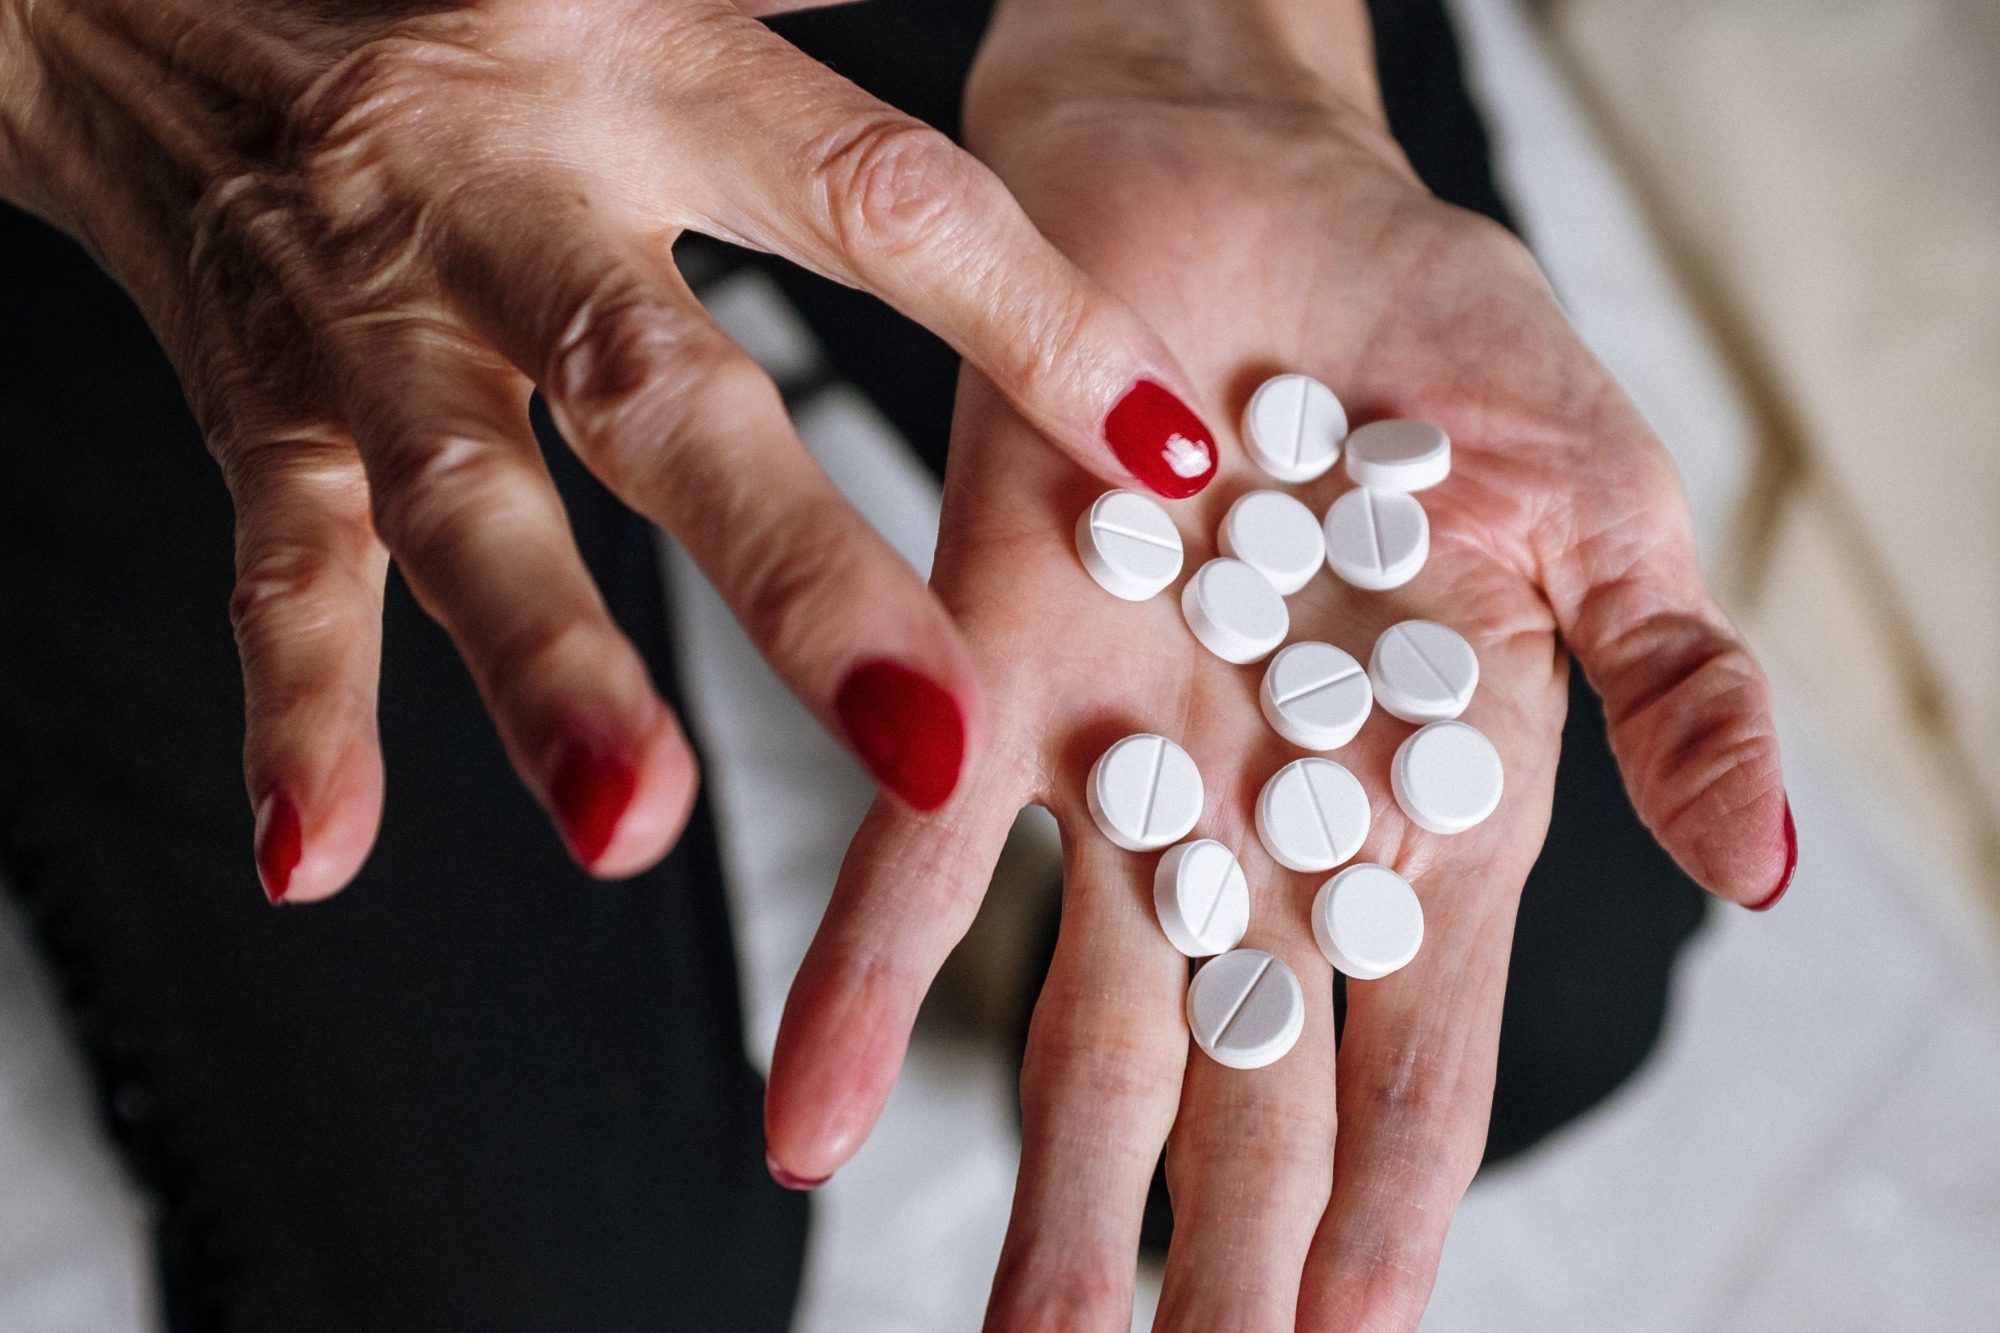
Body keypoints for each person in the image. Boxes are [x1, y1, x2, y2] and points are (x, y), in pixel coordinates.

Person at [0, 0, 1795, 1327]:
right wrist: (89, 50)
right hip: (211, 103)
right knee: (574, 1291)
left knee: (1538, 956)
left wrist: (1235, 53)